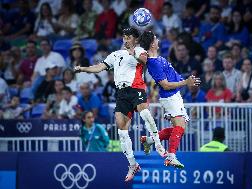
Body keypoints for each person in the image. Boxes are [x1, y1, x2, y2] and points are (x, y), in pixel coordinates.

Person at [74, 27, 165, 182]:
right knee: (122, 131)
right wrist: (83, 69)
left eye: (129, 37)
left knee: (145, 114)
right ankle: (132, 164)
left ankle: (158, 145)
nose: (125, 39)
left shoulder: (140, 50)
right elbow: (99, 67)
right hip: (121, 94)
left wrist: (133, 52)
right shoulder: (115, 54)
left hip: (136, 88)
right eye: (124, 37)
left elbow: (144, 60)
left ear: (135, 39)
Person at [137, 31, 201, 169]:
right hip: (170, 96)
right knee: (180, 127)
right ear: (152, 44)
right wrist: (186, 83)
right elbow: (165, 84)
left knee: (179, 128)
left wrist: (187, 80)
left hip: (174, 95)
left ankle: (148, 140)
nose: (158, 40)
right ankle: (171, 156)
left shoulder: (158, 58)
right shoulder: (153, 62)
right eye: (156, 39)